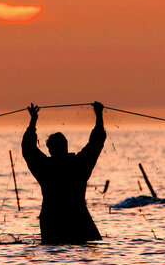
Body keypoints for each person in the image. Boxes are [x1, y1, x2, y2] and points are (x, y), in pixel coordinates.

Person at [21, 101, 106, 244]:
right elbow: (96, 142)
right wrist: (98, 114)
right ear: (66, 147)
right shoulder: (79, 164)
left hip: (52, 222)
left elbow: (27, 148)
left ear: (49, 150)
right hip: (78, 219)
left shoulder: (45, 167)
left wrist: (33, 121)